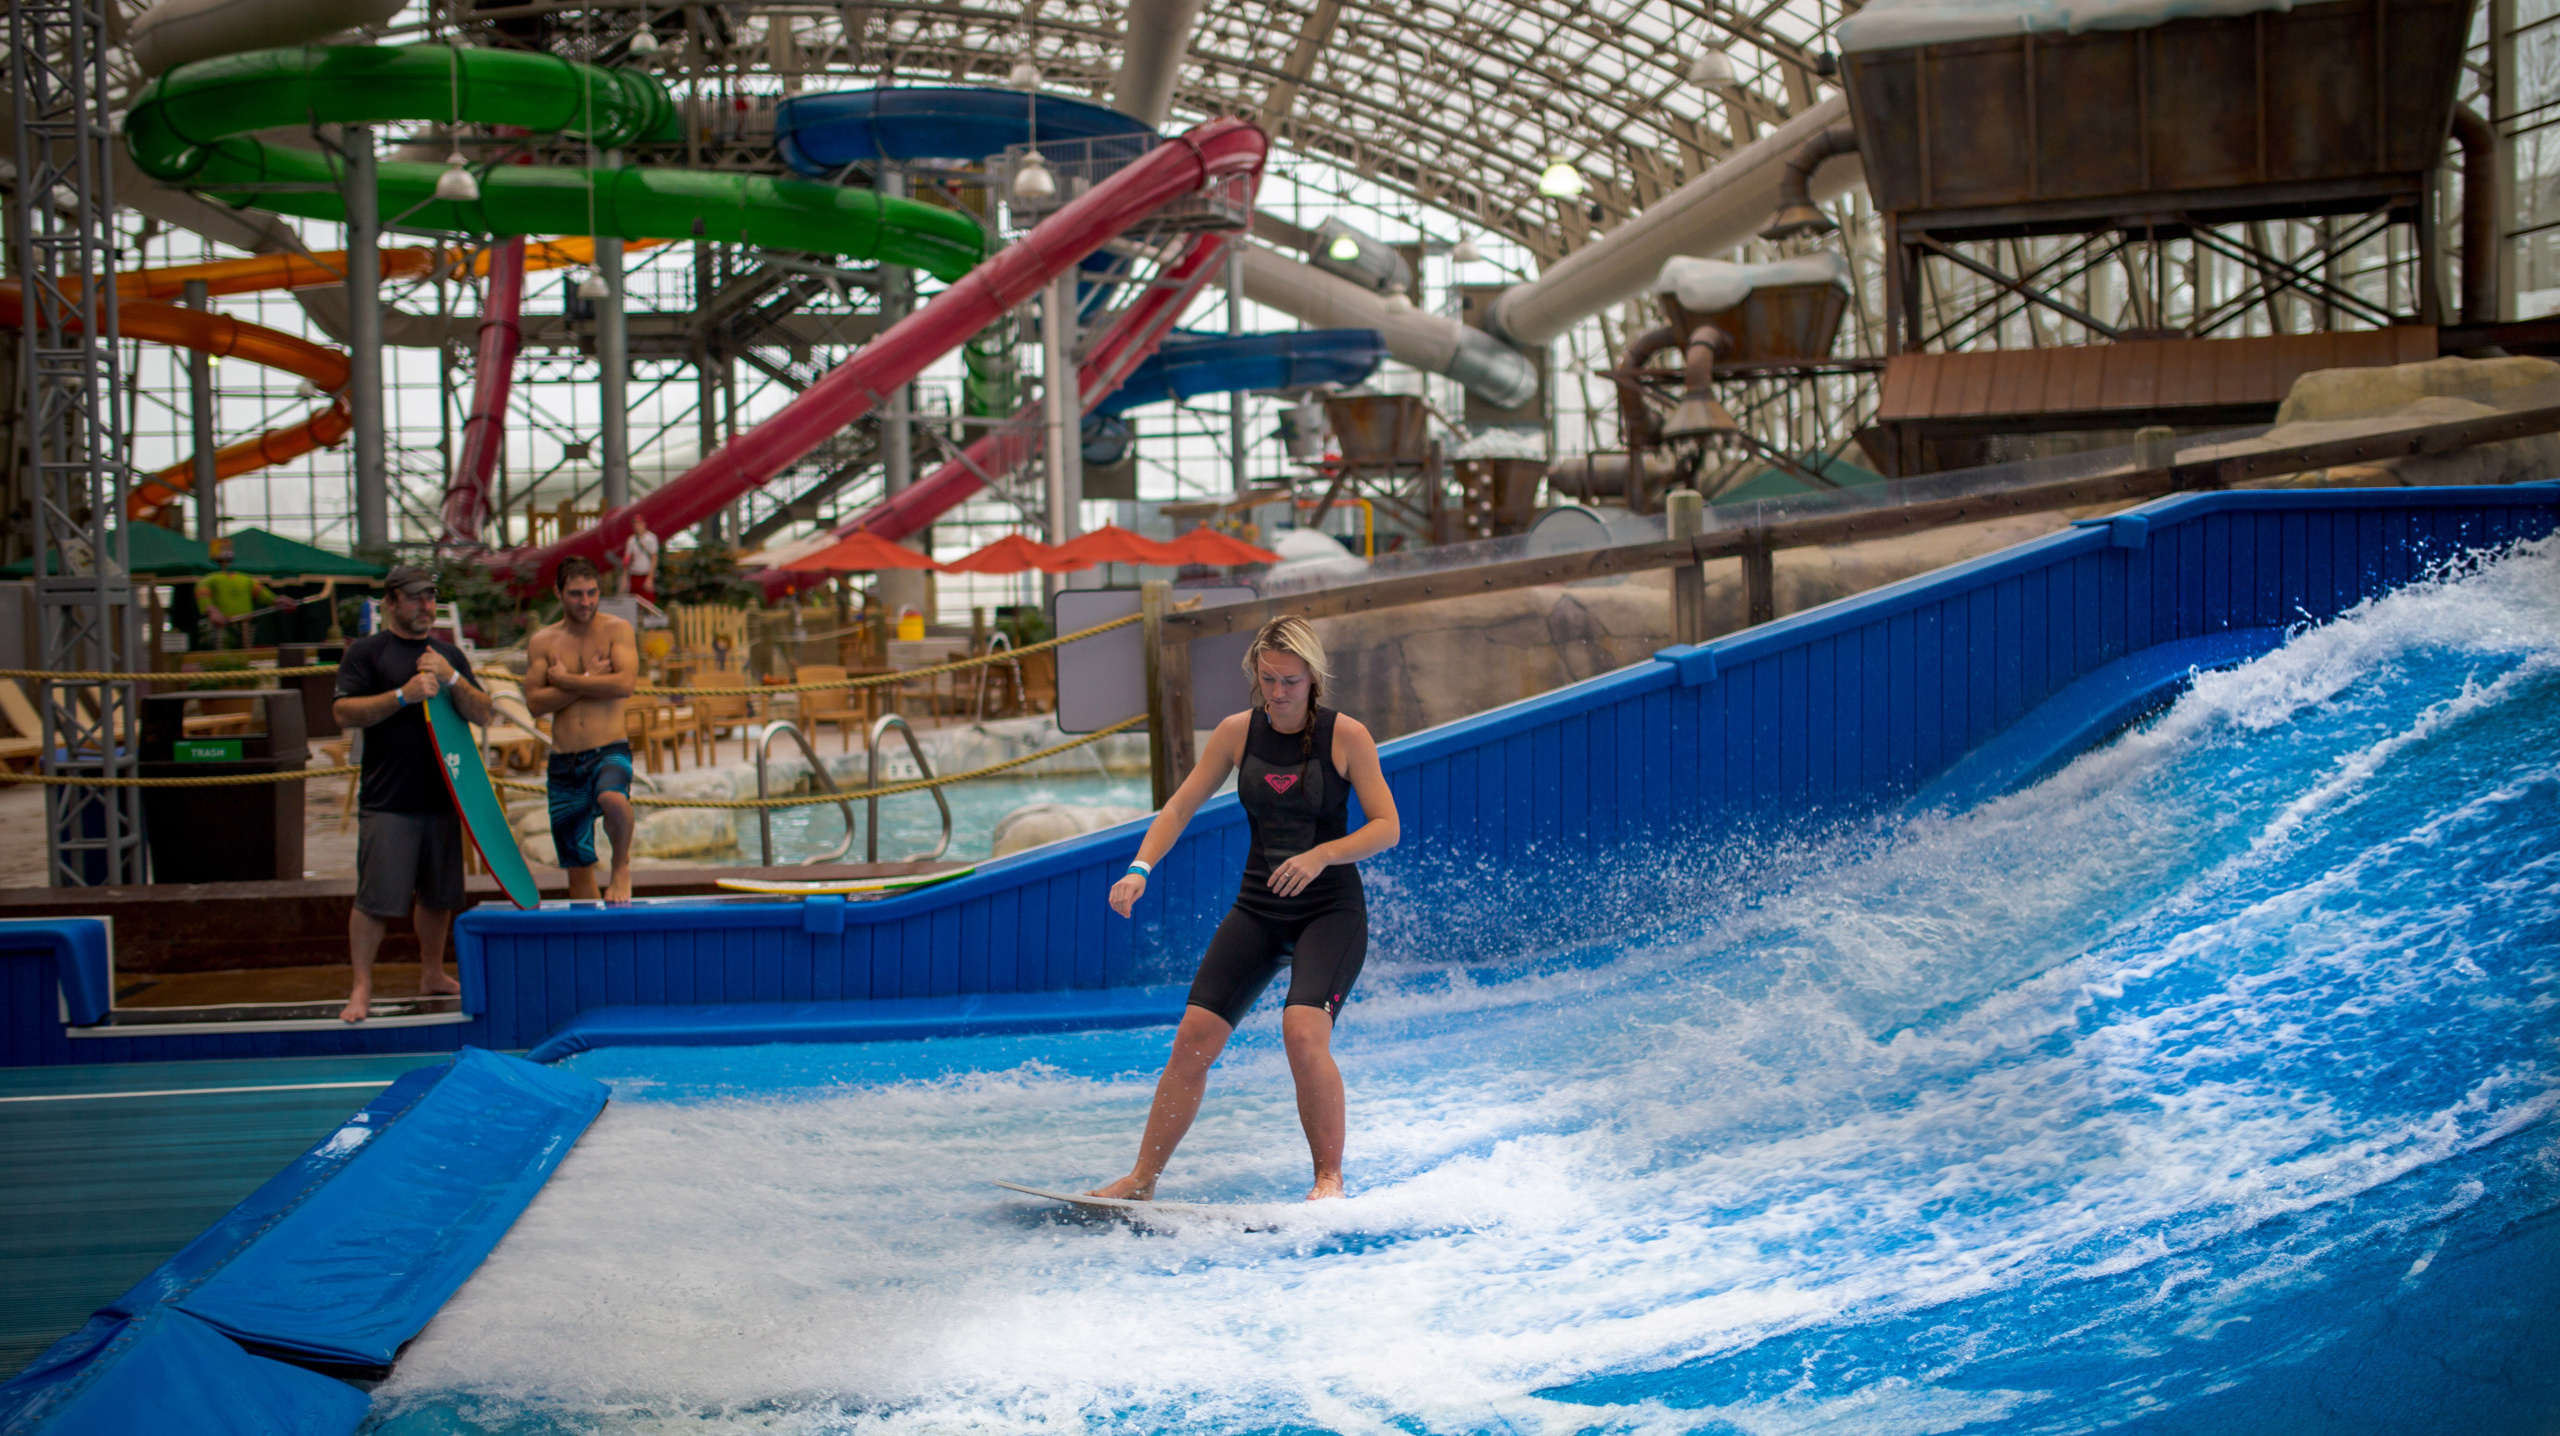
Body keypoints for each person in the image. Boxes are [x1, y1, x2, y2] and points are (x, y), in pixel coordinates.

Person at [1093, 616, 1400, 1202]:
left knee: (1302, 1032)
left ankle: (1328, 1181)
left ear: (1312, 677)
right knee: (1193, 1039)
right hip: (1259, 908)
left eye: (1290, 680)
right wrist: (1139, 867)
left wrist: (1321, 856)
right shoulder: (1237, 733)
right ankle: (1141, 1181)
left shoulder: (1347, 736)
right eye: (1268, 680)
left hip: (1328, 910)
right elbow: (1180, 807)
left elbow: (1387, 827)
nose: (1279, 693)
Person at [331, 566, 491, 1022]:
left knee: (439, 898)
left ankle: (432, 973)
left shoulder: (447, 654)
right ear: (392, 601)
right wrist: (402, 695)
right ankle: (361, 988)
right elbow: (343, 712)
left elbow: (483, 714)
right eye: (417, 598)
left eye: (431, 598)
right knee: (376, 900)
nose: (426, 606)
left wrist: (452, 679)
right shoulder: (367, 654)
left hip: (443, 798)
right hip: (388, 800)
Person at [522, 556, 640, 904]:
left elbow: (624, 684)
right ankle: (594, 943)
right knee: (578, 866)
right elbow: (535, 703)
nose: (585, 601)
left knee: (613, 798)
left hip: (609, 748)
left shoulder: (617, 630)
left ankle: (621, 867)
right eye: (576, 593)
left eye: (591, 593)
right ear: (558, 593)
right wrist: (589, 679)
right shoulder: (543, 641)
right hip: (564, 760)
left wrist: (566, 680)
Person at [194, 539, 296, 649]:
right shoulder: (208, 579)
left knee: (245, 653)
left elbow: (262, 593)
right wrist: (212, 610)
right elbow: (203, 595)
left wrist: (277, 600)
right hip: (221, 626)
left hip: (245, 626)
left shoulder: (247, 579)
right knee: (221, 653)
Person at [618, 514, 660, 602]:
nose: (637, 526)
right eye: (635, 524)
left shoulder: (651, 539)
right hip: (634, 574)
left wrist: (650, 578)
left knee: (648, 602)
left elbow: (654, 558)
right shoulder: (631, 540)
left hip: (646, 574)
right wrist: (625, 578)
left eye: (639, 523)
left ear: (644, 524)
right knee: (634, 602)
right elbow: (627, 559)